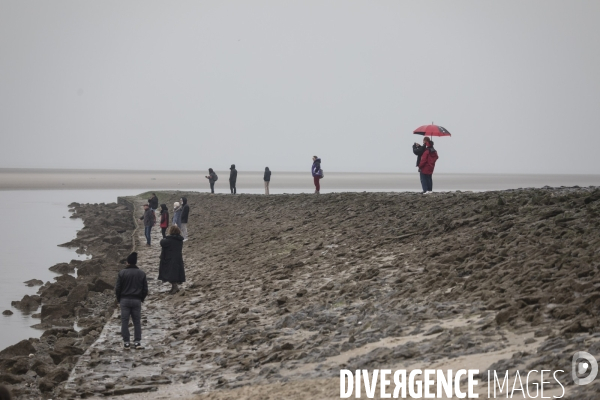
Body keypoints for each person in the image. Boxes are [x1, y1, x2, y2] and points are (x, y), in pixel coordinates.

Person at [115, 252, 148, 350]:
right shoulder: (142, 273)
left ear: (128, 262)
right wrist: (142, 298)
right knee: (137, 321)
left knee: (124, 321)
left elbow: (118, 288)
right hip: (137, 300)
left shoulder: (122, 273)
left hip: (124, 300)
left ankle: (126, 343)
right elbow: (145, 289)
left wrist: (119, 298)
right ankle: (137, 342)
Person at [158, 225, 186, 294]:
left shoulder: (169, 240)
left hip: (169, 259)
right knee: (175, 274)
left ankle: (175, 288)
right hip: (178, 259)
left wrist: (166, 237)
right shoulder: (180, 240)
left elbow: (162, 242)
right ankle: (174, 287)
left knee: (171, 274)